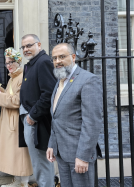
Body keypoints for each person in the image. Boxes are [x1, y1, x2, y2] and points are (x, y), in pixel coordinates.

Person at [46, 43, 102, 186]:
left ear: (73, 57)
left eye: (62, 57)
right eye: (54, 58)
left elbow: (92, 123)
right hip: (62, 153)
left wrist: (83, 156)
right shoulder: (60, 80)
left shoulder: (88, 80)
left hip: (78, 154)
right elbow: (56, 117)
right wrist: (52, 144)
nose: (57, 61)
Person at [19, 34, 57, 187]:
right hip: (30, 118)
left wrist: (32, 116)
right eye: (23, 47)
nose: (26, 49)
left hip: (36, 121)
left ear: (39, 44)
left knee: (41, 162)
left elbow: (49, 93)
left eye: (29, 45)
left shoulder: (43, 62)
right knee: (38, 163)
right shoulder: (32, 63)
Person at [0, 48, 33, 187]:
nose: (8, 65)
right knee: (14, 152)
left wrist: (1, 96)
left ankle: (23, 182)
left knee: (20, 152)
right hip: (10, 119)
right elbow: (11, 95)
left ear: (18, 62)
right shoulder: (13, 77)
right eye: (6, 63)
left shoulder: (22, 77)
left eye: (11, 62)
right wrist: (0, 92)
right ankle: (17, 181)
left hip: (17, 120)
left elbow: (19, 100)